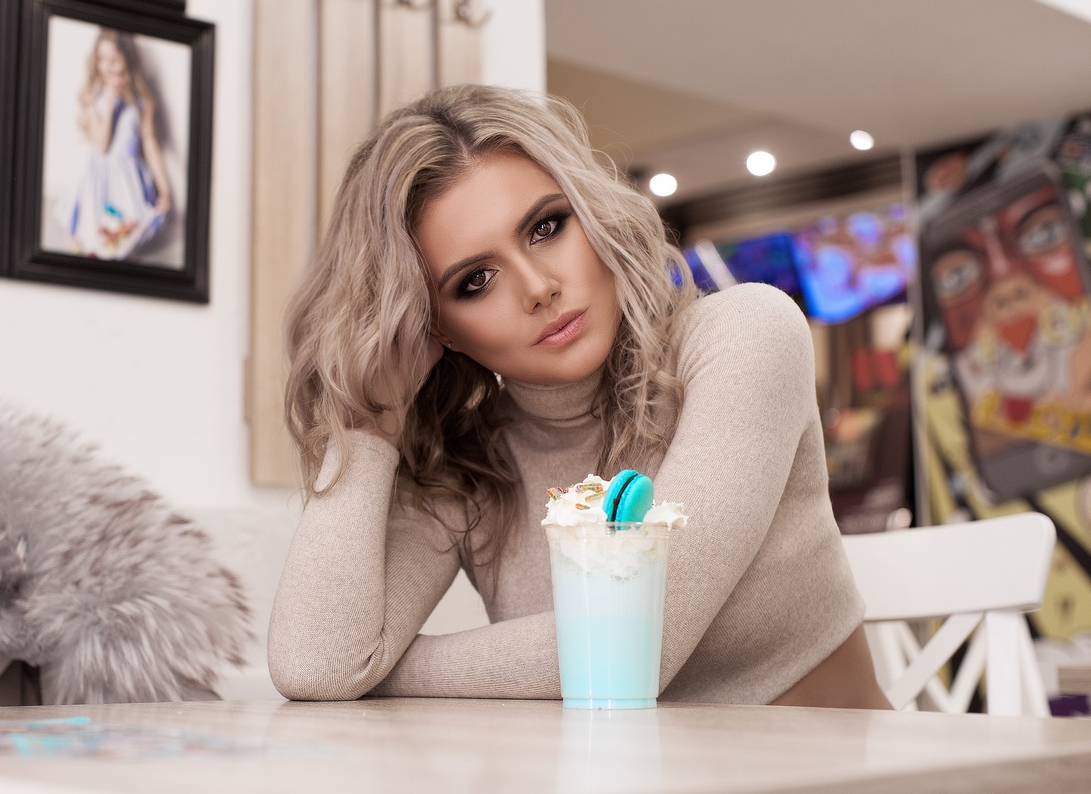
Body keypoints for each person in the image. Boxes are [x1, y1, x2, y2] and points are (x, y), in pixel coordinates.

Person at [268, 84, 891, 709]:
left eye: (546, 227)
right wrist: (370, 422)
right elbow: (314, 666)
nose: (539, 287)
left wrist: (382, 668)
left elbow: (636, 649)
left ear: (591, 212)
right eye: (475, 280)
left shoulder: (744, 336)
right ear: (434, 330)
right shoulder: (469, 465)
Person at [65, 29, 171, 260]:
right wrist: (111, 101)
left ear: (127, 60)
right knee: (95, 240)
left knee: (124, 238)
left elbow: (150, 143)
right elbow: (102, 146)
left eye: (113, 60)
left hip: (127, 180)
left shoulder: (143, 100)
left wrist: (164, 187)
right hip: (100, 179)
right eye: (101, 60)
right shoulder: (93, 95)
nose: (106, 67)